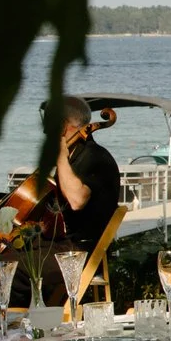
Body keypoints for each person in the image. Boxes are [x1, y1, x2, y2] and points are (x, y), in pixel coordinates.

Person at [52, 97, 121, 252]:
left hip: (80, 251)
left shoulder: (95, 157)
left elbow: (77, 201)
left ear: (63, 126)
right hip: (64, 245)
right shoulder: (73, 157)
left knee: (4, 265)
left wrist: (61, 158)